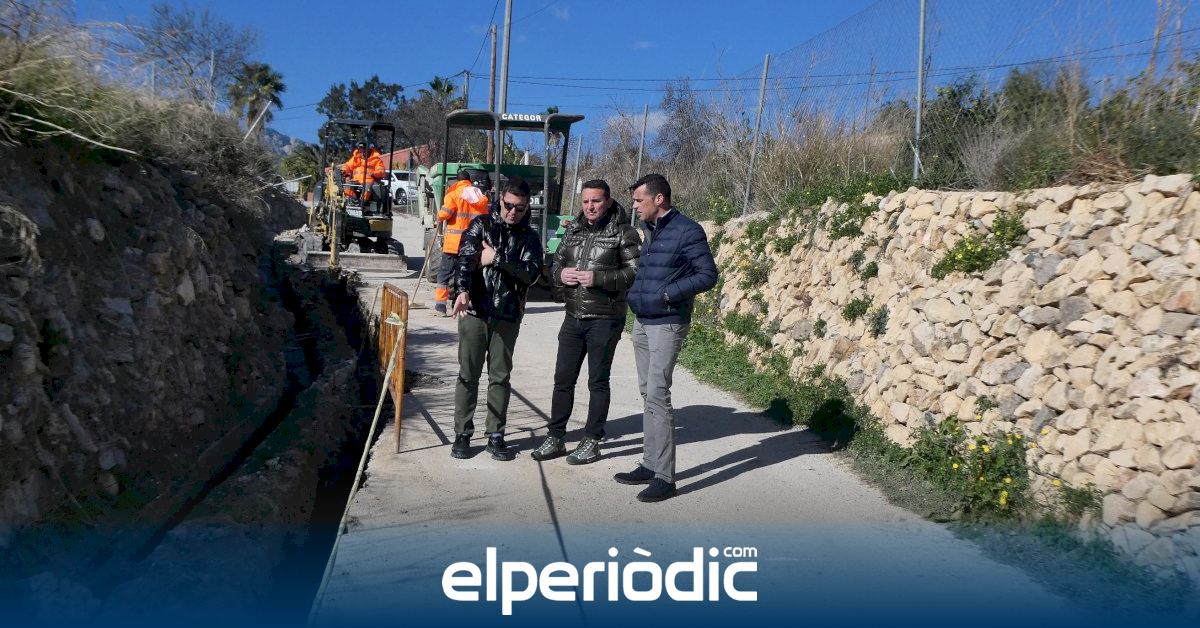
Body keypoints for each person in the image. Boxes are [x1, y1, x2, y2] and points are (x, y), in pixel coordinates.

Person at [615, 173, 718, 502]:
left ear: (658, 199)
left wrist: (668, 294)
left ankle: (664, 477)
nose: (634, 206)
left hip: (667, 322)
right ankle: (650, 463)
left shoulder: (687, 230)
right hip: (643, 321)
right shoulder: (650, 229)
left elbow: (707, 275)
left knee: (658, 394)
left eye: (639, 200)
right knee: (648, 393)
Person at [531, 180, 640, 465]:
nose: (590, 207)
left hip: (605, 318)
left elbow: (634, 272)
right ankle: (556, 437)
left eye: (596, 201)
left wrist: (599, 278)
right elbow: (555, 264)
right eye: (586, 201)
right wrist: (561, 275)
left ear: (608, 201)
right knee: (563, 379)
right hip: (573, 317)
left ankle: (592, 440)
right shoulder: (573, 230)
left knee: (597, 382)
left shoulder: (624, 233)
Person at [449, 177, 543, 461]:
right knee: (468, 375)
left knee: (500, 377)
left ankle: (495, 434)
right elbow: (466, 260)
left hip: (507, 314)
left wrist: (496, 258)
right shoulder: (480, 225)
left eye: (520, 208)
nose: (513, 212)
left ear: (527, 208)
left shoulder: (530, 237)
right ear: (500, 200)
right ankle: (462, 433)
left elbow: (531, 274)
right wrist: (462, 290)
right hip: (475, 311)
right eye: (509, 205)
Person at [434, 170, 490, 316]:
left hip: (454, 243)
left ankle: (440, 306)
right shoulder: (480, 197)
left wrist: (439, 216)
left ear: (457, 181)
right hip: (472, 245)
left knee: (445, 273)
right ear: (469, 181)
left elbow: (445, 214)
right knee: (467, 273)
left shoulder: (453, 195)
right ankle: (464, 302)